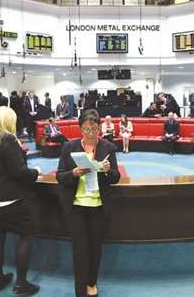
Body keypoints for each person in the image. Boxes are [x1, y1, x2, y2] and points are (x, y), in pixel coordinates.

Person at [0, 106, 41, 295]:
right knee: (26, 235)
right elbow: (19, 172)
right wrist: (36, 172)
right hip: (7, 199)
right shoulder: (8, 139)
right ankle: (21, 283)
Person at [56, 109, 120, 297]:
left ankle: (91, 282)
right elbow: (60, 176)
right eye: (85, 129)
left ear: (99, 127)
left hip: (99, 206)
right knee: (79, 250)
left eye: (93, 128)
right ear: (80, 128)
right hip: (76, 206)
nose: (90, 133)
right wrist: (73, 173)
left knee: (95, 247)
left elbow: (115, 178)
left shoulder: (108, 148)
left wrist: (108, 170)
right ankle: (80, 290)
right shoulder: (69, 147)